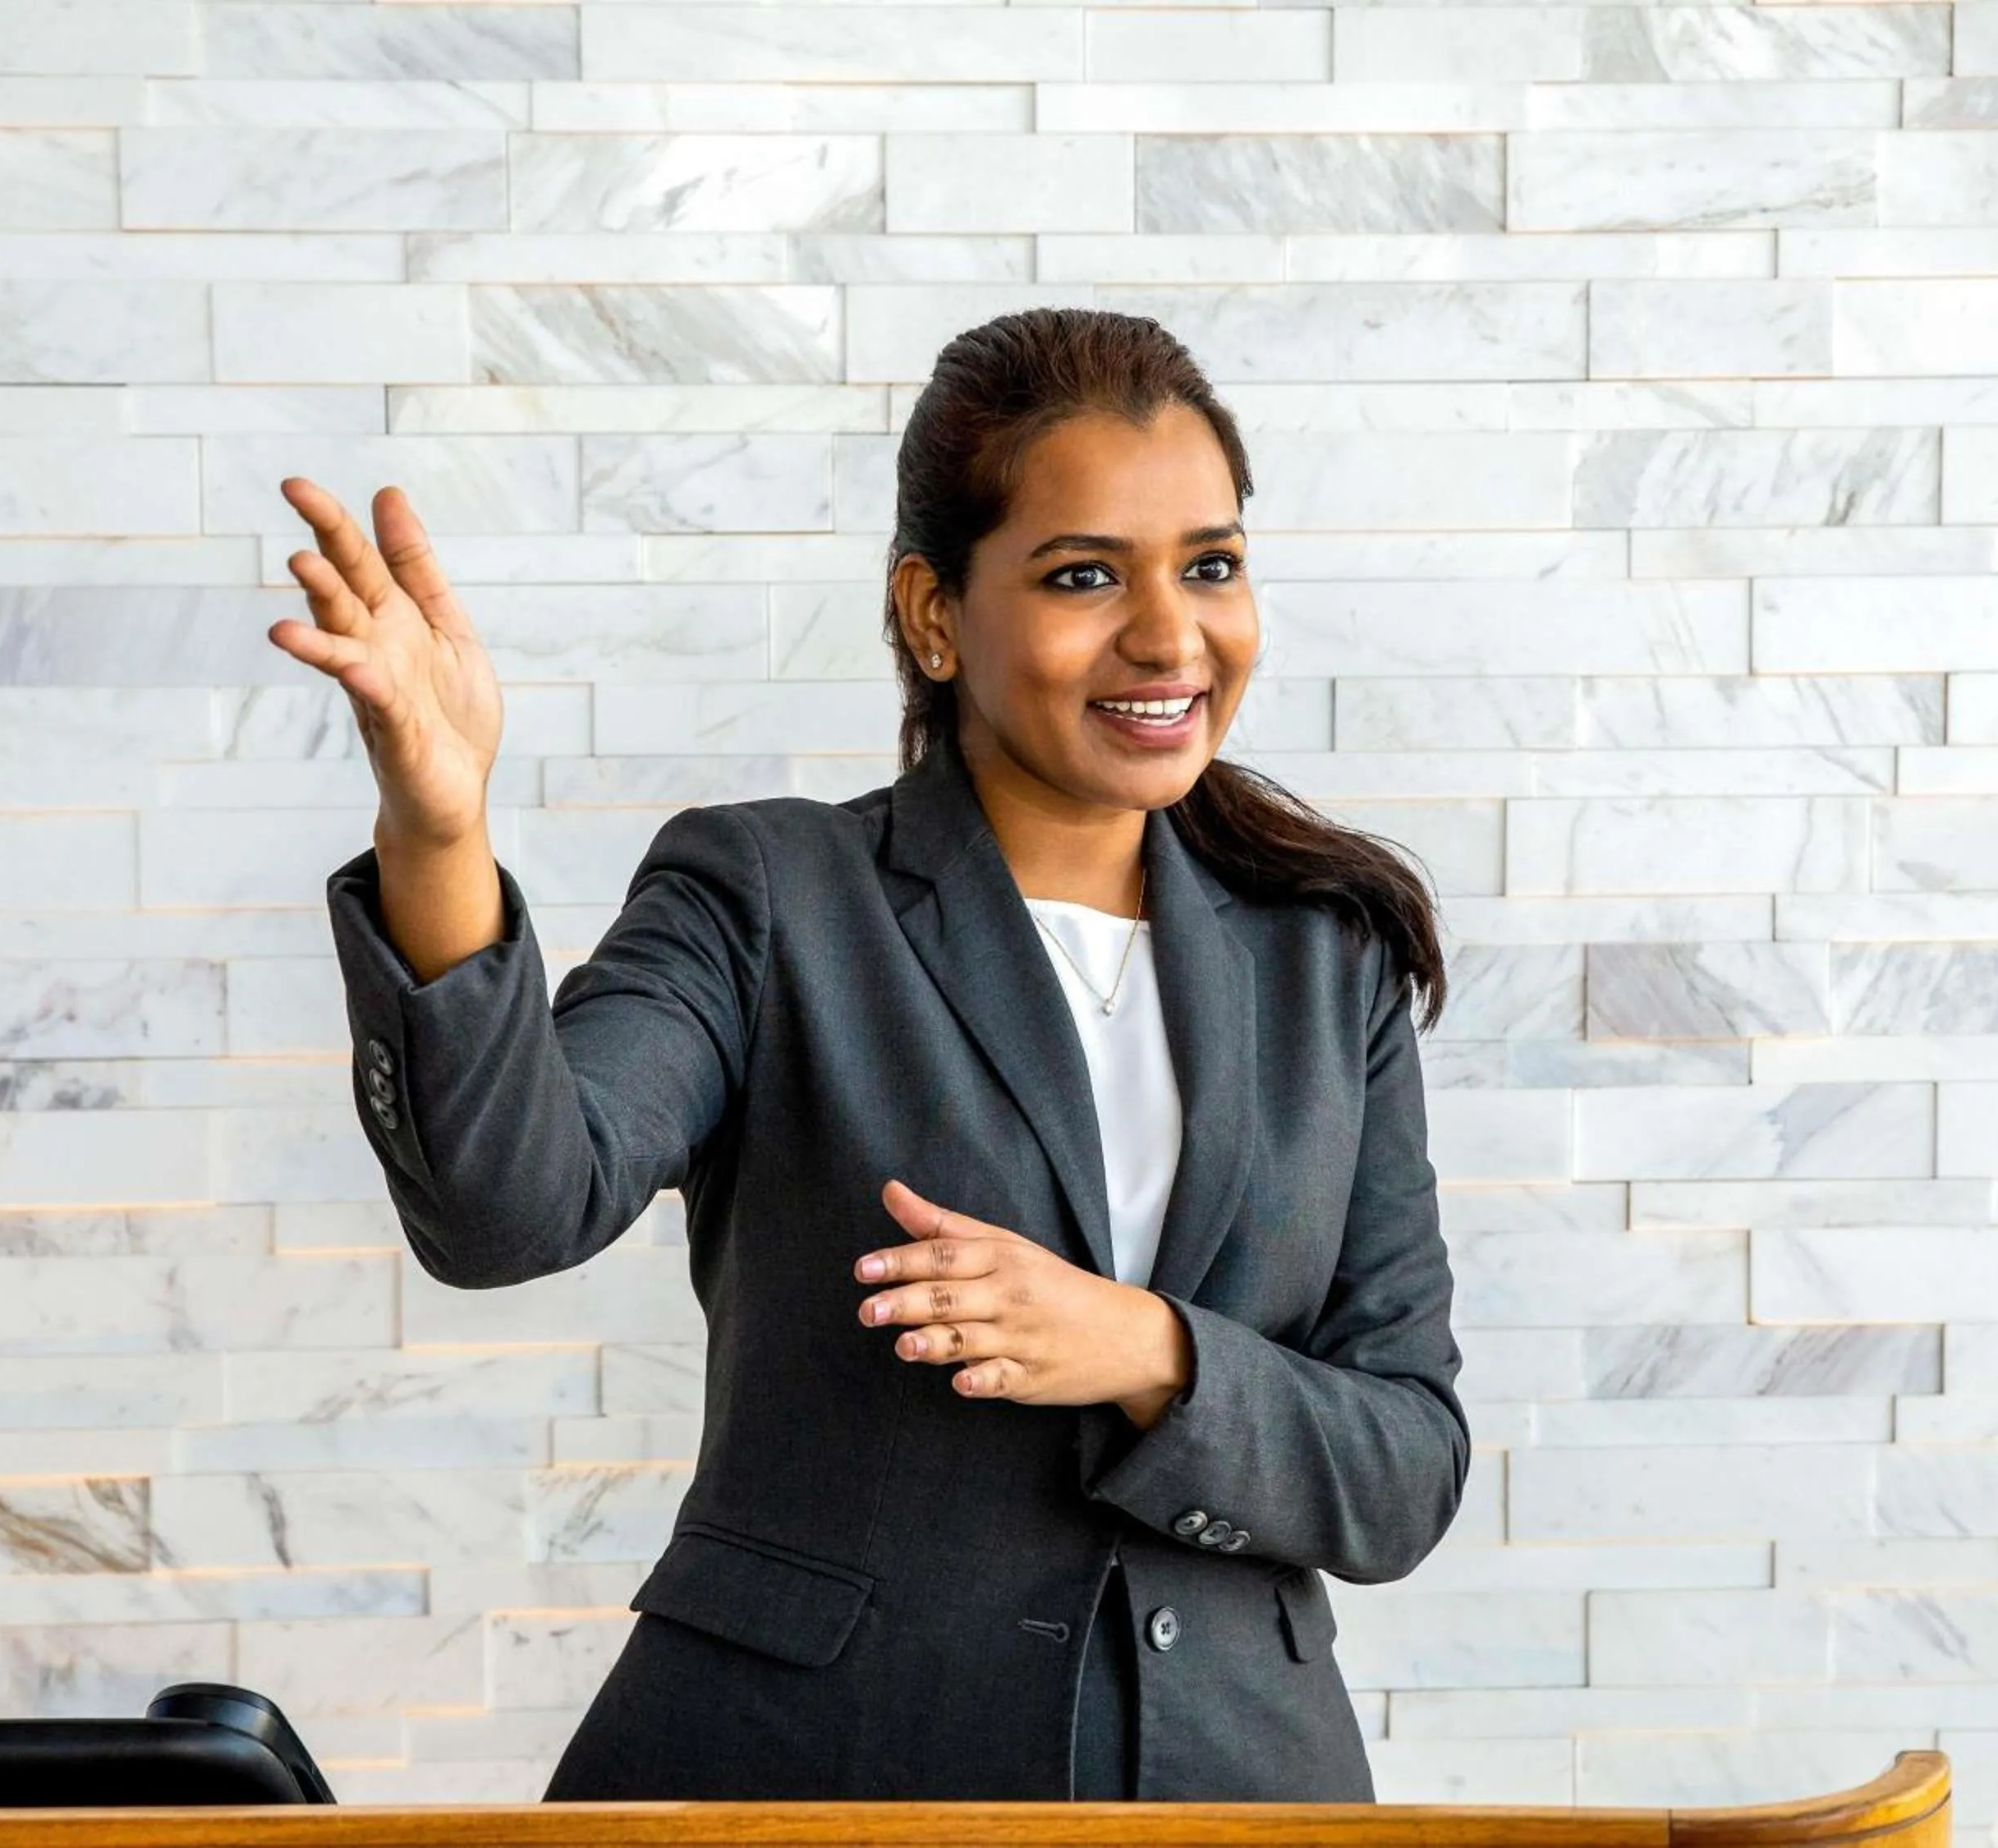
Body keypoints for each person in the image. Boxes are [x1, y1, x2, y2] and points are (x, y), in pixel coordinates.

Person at [269, 306, 1470, 1803]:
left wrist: (1146, 1350)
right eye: (1085, 574)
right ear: (933, 613)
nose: (1171, 634)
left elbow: (1406, 1464)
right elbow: (509, 1203)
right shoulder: (769, 898)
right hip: (817, 1776)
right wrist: (439, 832)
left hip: (1236, 1790)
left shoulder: (1323, 955)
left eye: (1210, 564)